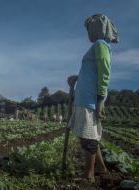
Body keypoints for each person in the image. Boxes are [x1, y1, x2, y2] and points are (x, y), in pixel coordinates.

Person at [67, 14, 119, 183]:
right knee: (89, 136)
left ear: (97, 29)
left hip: (89, 99)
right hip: (85, 98)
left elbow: (104, 73)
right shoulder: (97, 46)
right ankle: (101, 168)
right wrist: (77, 78)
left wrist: (101, 99)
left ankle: (88, 175)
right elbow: (92, 73)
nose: (88, 33)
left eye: (89, 30)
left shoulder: (100, 45)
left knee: (88, 138)